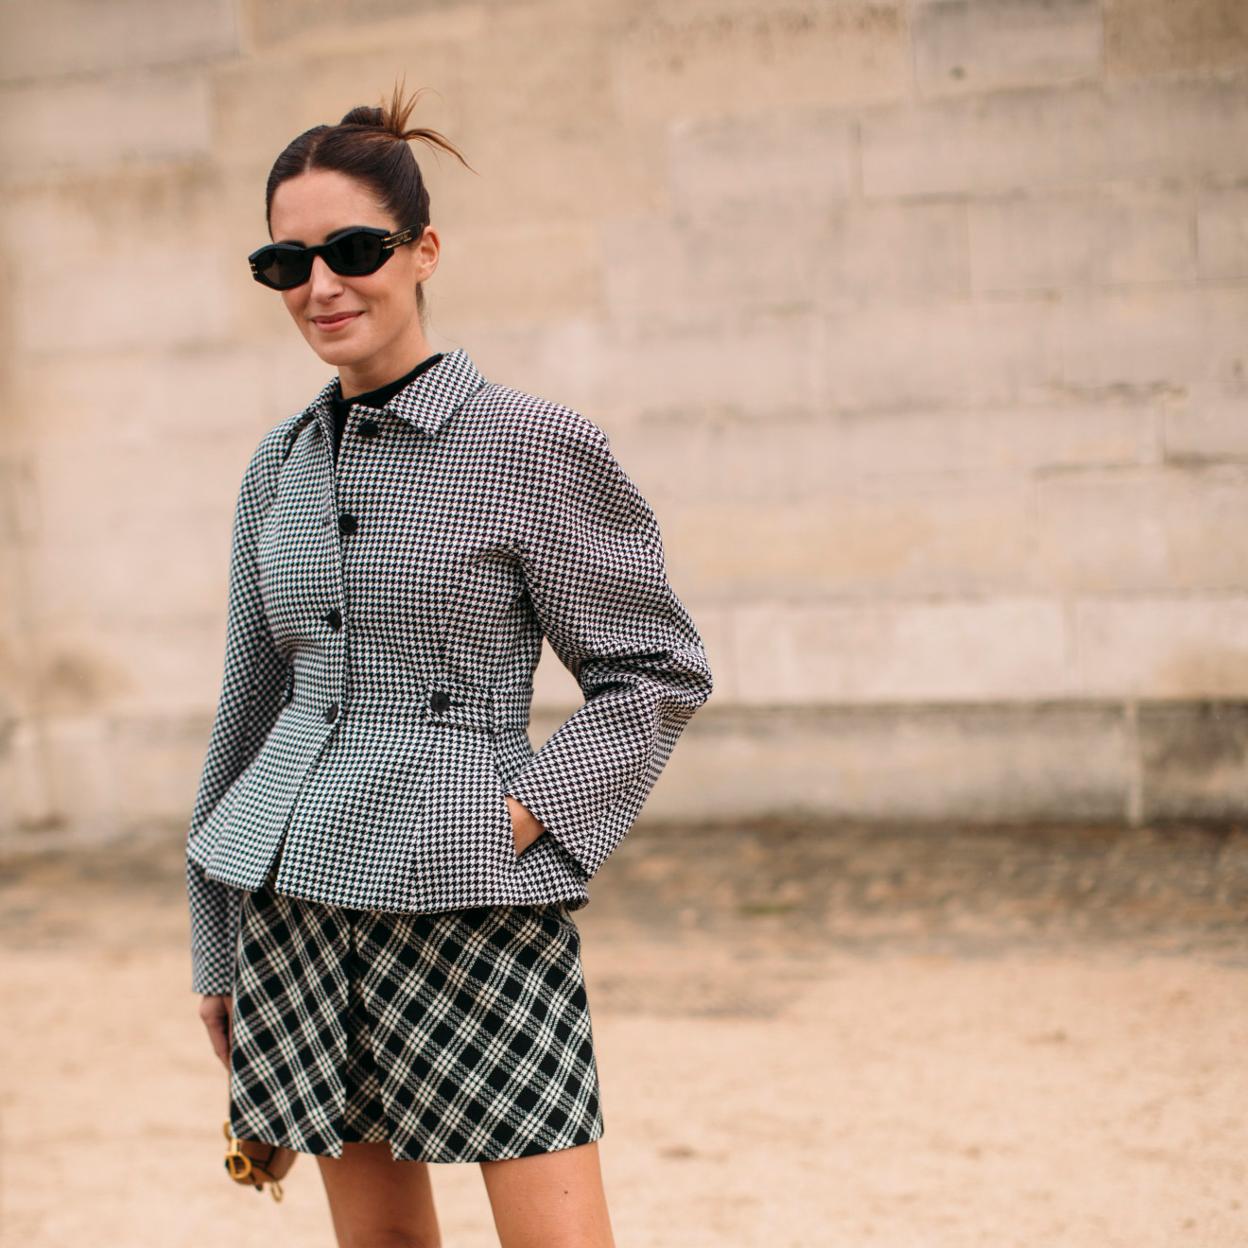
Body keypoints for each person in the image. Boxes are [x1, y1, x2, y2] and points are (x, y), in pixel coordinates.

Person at [186, 80, 713, 1248]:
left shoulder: (535, 446)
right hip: (294, 900)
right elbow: (248, 709)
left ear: (424, 250)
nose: (321, 286)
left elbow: (655, 669)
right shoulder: (276, 469)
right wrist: (214, 943)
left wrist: (523, 812)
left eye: (353, 249)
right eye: (287, 263)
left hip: (470, 894)